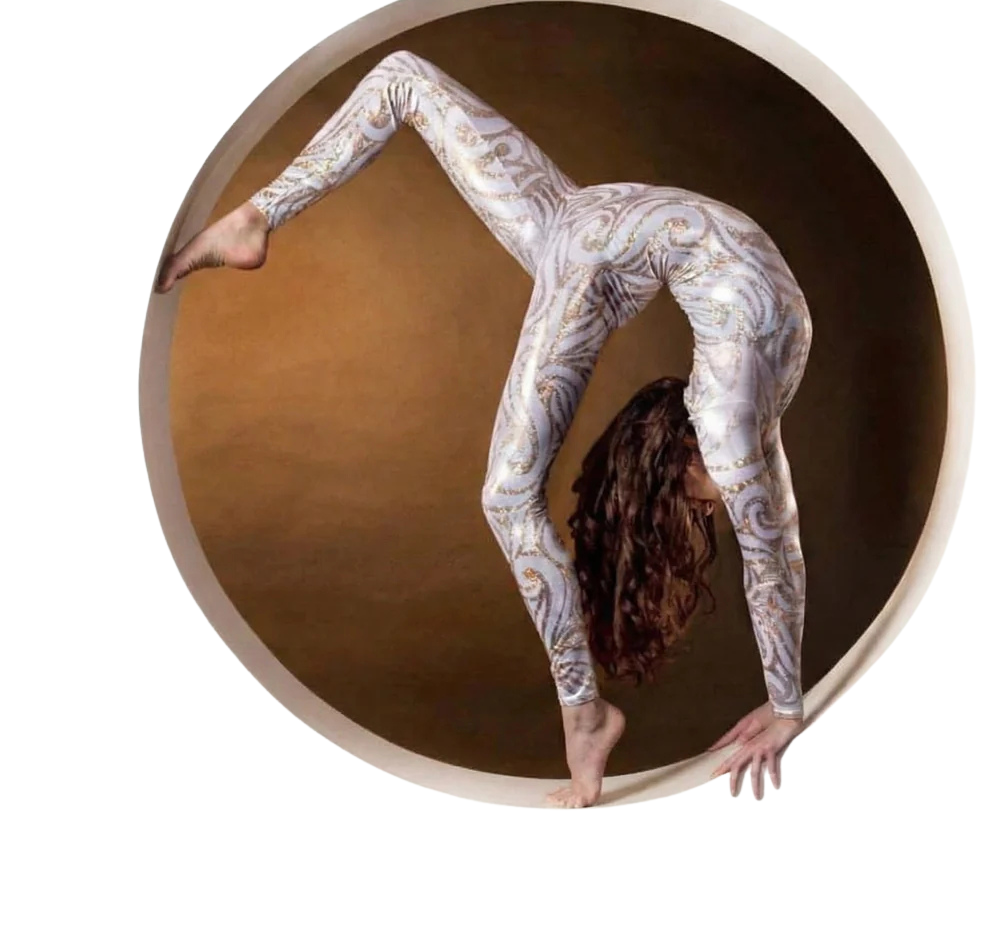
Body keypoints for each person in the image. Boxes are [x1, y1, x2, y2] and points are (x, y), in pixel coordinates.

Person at [157, 49, 814, 807]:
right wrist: (785, 705)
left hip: (588, 218)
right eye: (703, 501)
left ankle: (254, 219)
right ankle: (585, 712)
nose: (716, 505)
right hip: (593, 251)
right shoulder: (733, 423)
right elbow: (773, 554)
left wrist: (789, 701)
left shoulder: (744, 410)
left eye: (706, 505)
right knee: (506, 496)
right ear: (683, 449)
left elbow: (780, 548)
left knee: (405, 76)